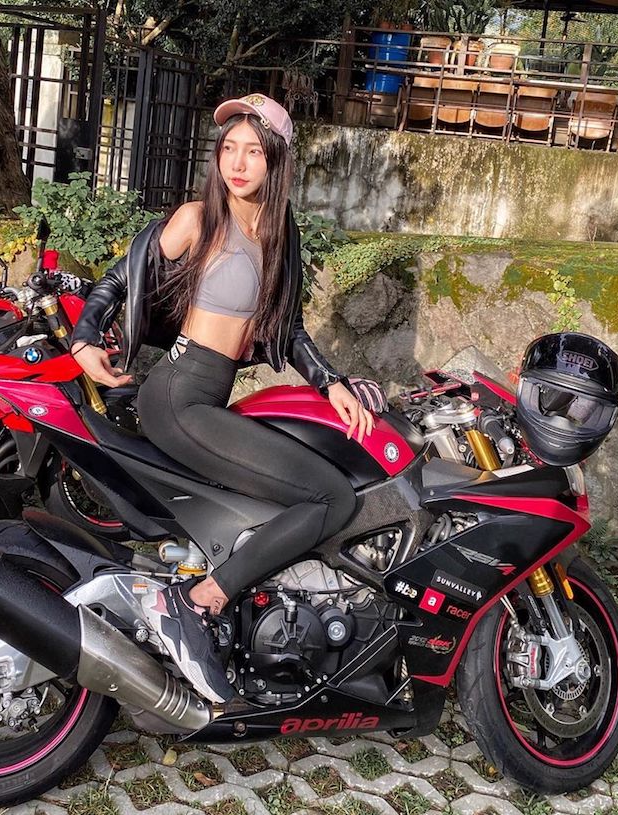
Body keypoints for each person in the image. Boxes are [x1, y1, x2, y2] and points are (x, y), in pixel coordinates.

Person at [71, 93, 387, 705]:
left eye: (254, 152)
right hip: (179, 396)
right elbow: (120, 276)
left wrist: (331, 382)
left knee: (309, 487)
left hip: (208, 397)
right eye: (229, 149)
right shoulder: (199, 219)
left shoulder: (279, 231)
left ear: (277, 161)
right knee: (332, 496)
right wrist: (86, 338)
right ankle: (199, 602)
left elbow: (288, 328)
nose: (238, 164)